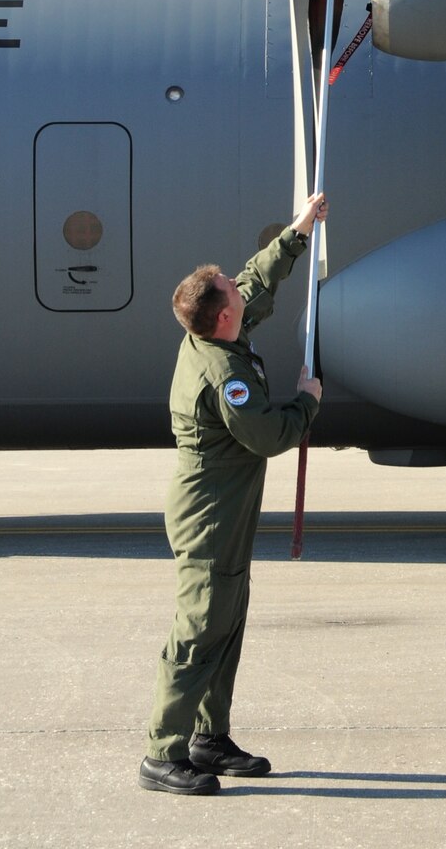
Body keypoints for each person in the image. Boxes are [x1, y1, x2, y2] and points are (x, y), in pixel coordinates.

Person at [139, 192, 328, 797]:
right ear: (224, 317)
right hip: (210, 516)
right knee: (198, 633)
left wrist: (298, 232)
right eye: (228, 288)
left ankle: (208, 737)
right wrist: (308, 402)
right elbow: (268, 436)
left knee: (226, 625)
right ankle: (162, 753)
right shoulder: (226, 375)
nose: (236, 283)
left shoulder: (215, 335)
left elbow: (253, 279)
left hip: (228, 510)